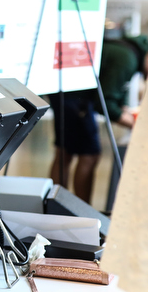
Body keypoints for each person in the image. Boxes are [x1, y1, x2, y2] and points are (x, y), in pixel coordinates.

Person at [49, 34, 148, 204]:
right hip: (76, 98)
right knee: (90, 154)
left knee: (64, 153)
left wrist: (125, 111)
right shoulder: (128, 57)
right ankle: (81, 211)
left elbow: (115, 88)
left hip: (64, 92)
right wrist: (135, 125)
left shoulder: (128, 50)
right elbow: (104, 104)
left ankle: (56, 207)